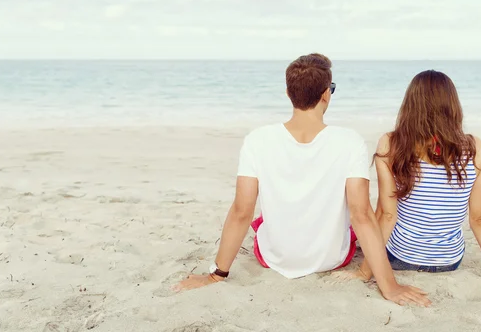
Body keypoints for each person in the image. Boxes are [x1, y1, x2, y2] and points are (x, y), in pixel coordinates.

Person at [173, 54, 430, 306]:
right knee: (355, 224)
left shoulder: (258, 140)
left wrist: (216, 274)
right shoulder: (350, 141)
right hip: (332, 259)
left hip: (274, 259)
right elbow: (361, 214)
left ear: (288, 93)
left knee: (260, 220)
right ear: (326, 94)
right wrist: (390, 286)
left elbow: (242, 211)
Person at [334, 70, 481, 293]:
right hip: (449, 261)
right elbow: (479, 218)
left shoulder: (391, 144)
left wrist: (364, 272)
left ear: (410, 106)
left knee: (358, 232)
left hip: (399, 257)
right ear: (453, 107)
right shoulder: (476, 150)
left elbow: (387, 215)